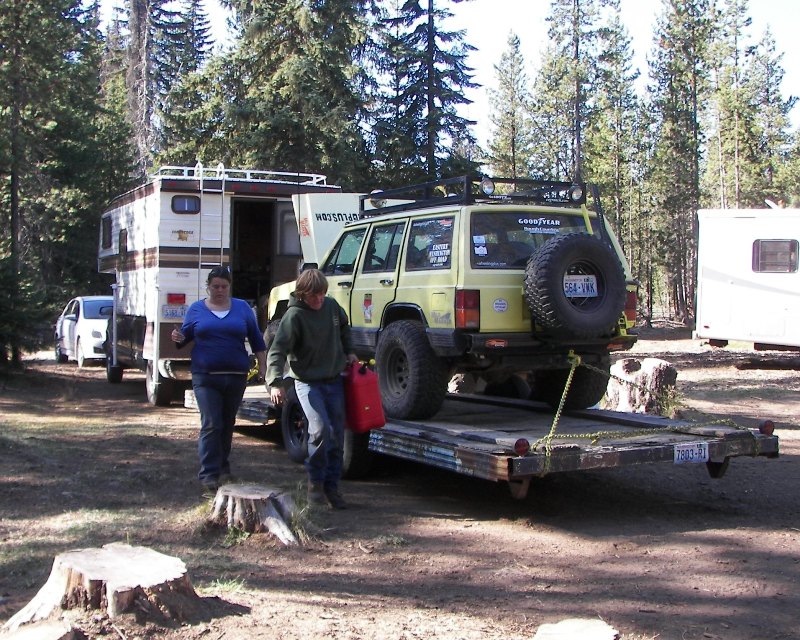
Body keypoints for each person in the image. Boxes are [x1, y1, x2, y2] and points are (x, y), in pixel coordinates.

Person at [266, 268, 358, 509]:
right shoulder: (294, 316)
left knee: (338, 435)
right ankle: (315, 486)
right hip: (307, 383)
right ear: (302, 293)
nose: (318, 300)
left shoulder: (332, 307)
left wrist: (349, 351)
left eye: (322, 295)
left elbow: (345, 329)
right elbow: (277, 351)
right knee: (319, 430)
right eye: (313, 296)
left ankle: (332, 487)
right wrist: (275, 382)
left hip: (334, 380)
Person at [172, 266, 267, 493]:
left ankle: (224, 468)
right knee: (211, 423)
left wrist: (263, 365)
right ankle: (208, 473)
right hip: (205, 376)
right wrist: (178, 337)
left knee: (227, 423)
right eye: (215, 286)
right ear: (208, 286)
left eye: (224, 286)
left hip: (235, 375)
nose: (220, 290)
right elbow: (184, 338)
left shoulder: (242, 308)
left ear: (229, 287)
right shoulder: (196, 310)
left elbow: (256, 338)